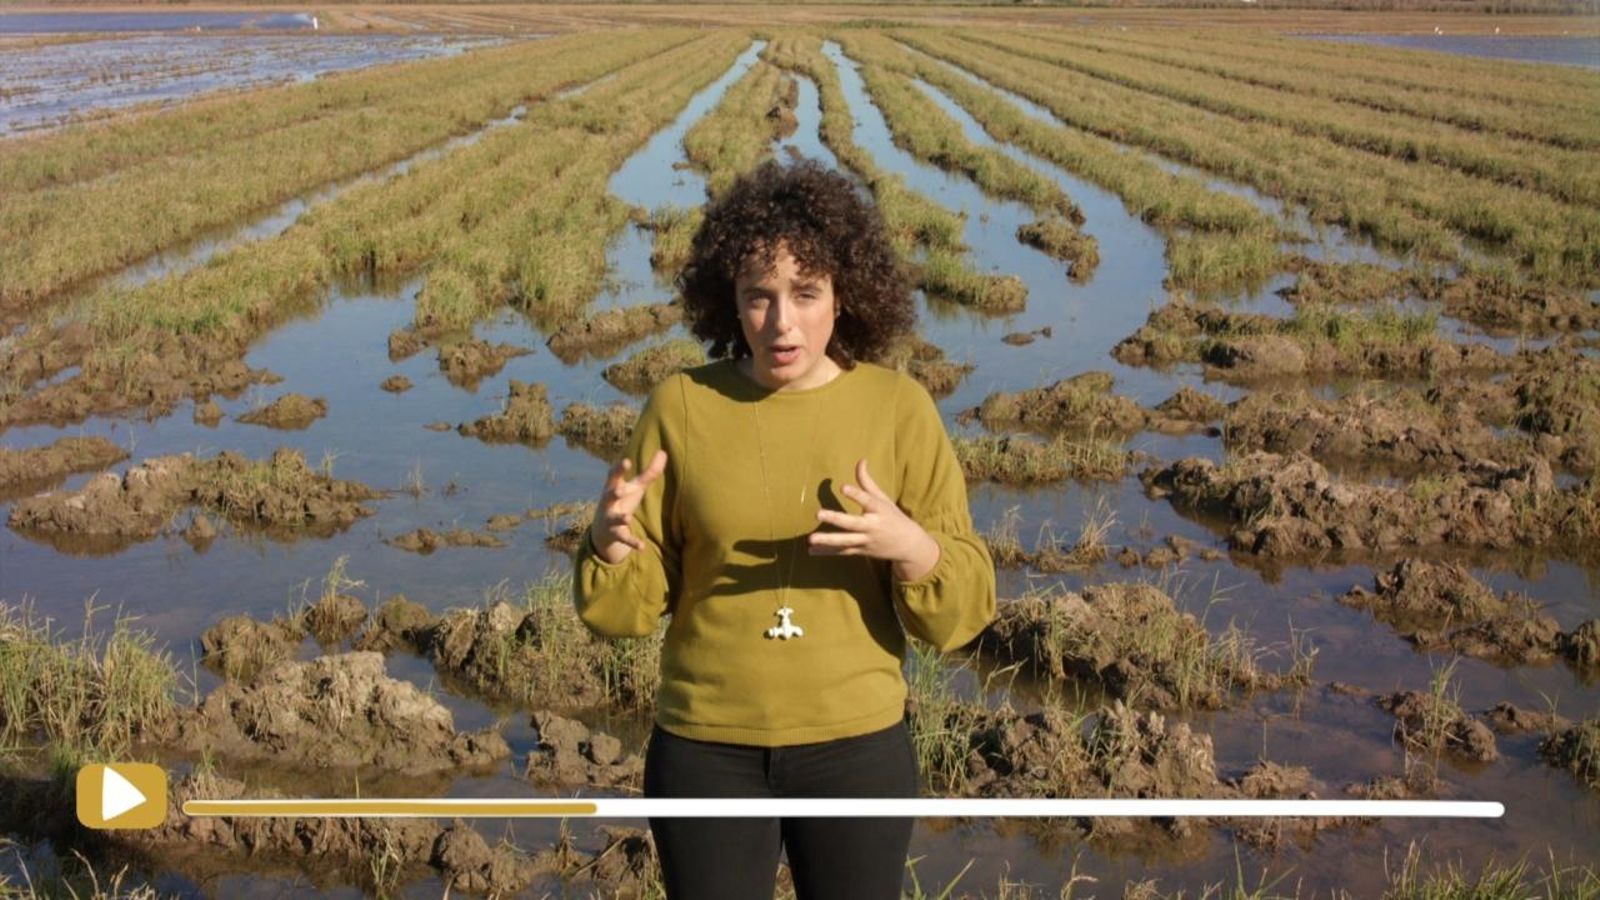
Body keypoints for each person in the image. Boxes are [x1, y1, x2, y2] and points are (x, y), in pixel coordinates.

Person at [573, 159, 996, 900]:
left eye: (806, 294)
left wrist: (912, 547)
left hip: (857, 749)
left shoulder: (898, 408)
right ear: (727, 304)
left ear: (845, 296)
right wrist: (610, 544)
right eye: (758, 297)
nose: (782, 322)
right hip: (706, 749)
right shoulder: (680, 407)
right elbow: (623, 612)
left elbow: (962, 616)